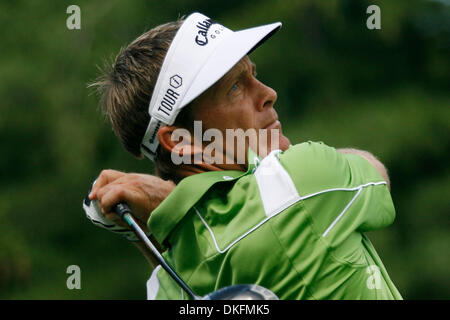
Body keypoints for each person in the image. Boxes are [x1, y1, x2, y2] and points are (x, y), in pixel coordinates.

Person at [87, 12, 402, 299]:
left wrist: (158, 219)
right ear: (181, 142)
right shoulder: (301, 179)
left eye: (253, 74)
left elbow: (193, 253)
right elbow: (377, 174)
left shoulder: (162, 290)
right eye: (235, 87)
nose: (267, 93)